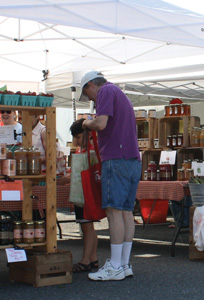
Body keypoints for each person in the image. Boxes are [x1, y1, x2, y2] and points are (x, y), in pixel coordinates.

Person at [80, 71, 141, 281]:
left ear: (91, 85)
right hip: (132, 158)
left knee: (114, 211)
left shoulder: (105, 91)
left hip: (116, 158)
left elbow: (101, 123)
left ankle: (115, 265)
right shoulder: (119, 93)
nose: (89, 98)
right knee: (125, 212)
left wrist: (85, 123)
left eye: (86, 92)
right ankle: (123, 264)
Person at [57, 119, 100, 273]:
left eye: (78, 137)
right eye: (74, 137)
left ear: (87, 135)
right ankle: (93, 258)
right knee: (89, 227)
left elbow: (79, 174)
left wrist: (63, 180)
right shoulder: (89, 150)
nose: (75, 140)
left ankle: (85, 260)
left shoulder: (89, 152)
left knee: (86, 228)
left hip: (84, 195)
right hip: (86, 194)